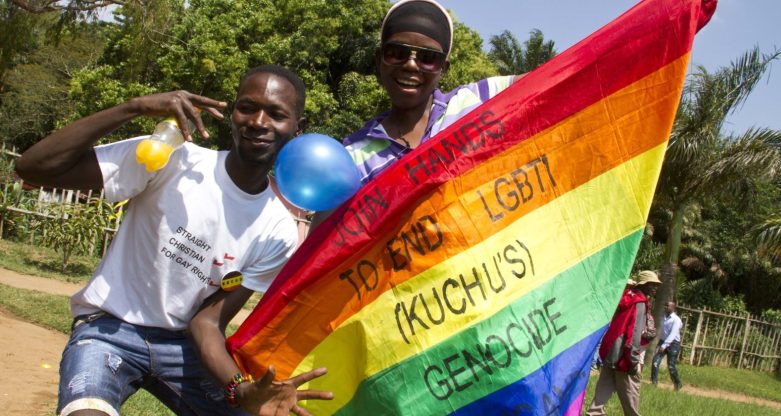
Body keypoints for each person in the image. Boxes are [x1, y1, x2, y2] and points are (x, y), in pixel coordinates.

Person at [15, 65, 332, 416]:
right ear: (232, 114)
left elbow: (206, 323)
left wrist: (243, 390)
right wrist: (133, 107)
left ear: (298, 129)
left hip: (183, 350)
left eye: (276, 114)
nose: (258, 121)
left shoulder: (278, 231)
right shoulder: (172, 159)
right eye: (247, 107)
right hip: (107, 330)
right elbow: (33, 167)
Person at [310, 0, 525, 231]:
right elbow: (320, 250)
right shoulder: (353, 158)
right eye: (397, 53)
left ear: (444, 68)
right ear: (378, 59)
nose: (411, 65)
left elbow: (558, 80)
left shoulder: (475, 102)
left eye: (428, 58)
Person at [585, 270, 661, 416]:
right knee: (631, 392)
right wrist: (632, 360)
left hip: (610, 349)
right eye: (652, 284)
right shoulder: (640, 302)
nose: (655, 288)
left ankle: (594, 413)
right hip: (623, 354)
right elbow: (633, 332)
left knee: (604, 387)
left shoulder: (625, 296)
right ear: (644, 284)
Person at [651, 301, 683, 391]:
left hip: (673, 344)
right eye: (664, 305)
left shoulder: (676, 320)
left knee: (671, 366)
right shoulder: (664, 317)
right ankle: (654, 383)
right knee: (655, 362)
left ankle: (677, 384)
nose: (665, 307)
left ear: (673, 308)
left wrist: (664, 345)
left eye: (667, 306)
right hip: (663, 342)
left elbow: (673, 334)